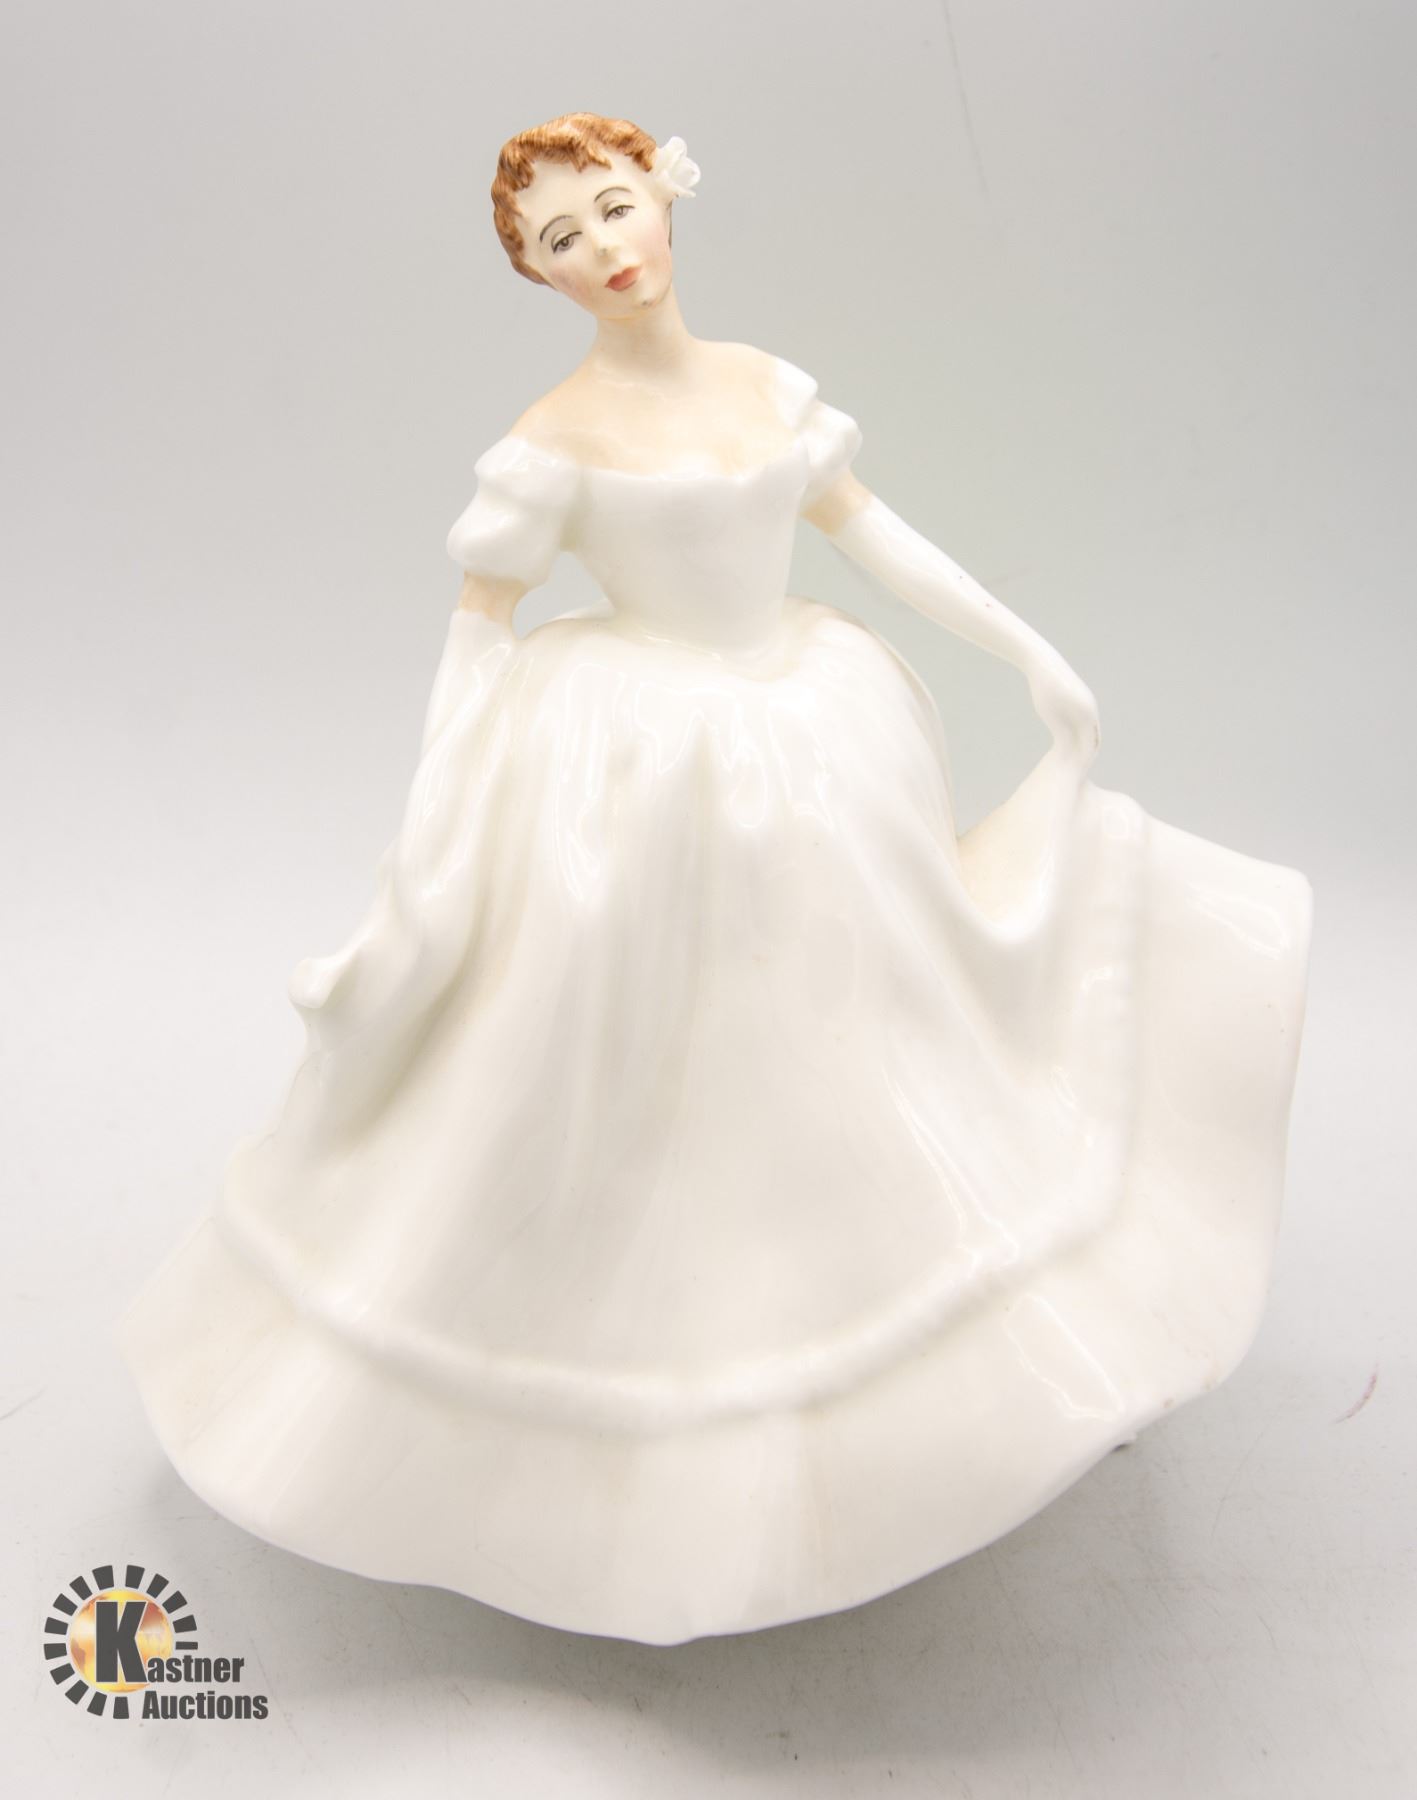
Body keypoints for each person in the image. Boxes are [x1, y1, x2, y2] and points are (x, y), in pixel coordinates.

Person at [118, 113, 1312, 1645]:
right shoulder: (550, 443)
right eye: (560, 239)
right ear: (535, 274)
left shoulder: (762, 387)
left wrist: (1023, 650)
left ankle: (913, 1370)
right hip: (640, 771)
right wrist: (439, 826)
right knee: (635, 1076)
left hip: (812, 737)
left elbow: (873, 536)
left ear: (664, 200)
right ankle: (647, 1418)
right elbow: (479, 631)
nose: (604, 249)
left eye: (615, 207)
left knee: (867, 1037)